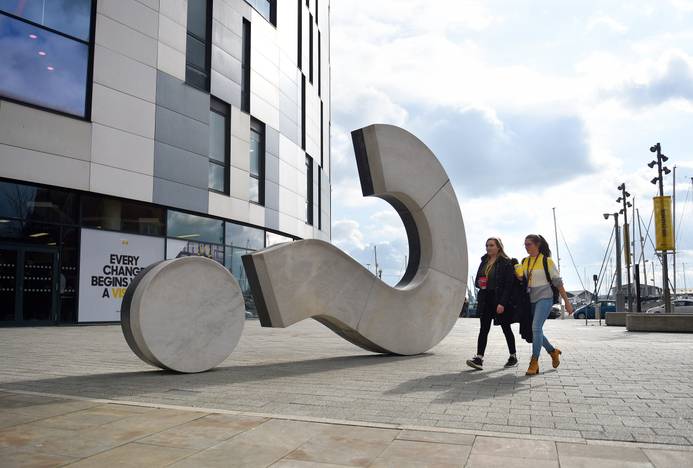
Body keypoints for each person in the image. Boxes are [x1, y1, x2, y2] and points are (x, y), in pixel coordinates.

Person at [516, 234, 574, 375]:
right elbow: (522, 278)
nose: (526, 247)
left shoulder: (547, 261)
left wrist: (567, 302)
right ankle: (553, 352)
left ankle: (534, 362)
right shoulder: (525, 261)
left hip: (545, 296)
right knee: (537, 331)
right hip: (530, 298)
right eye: (525, 244)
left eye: (529, 244)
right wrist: (517, 269)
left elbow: (558, 283)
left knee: (536, 327)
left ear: (537, 245)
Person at [466, 237, 518, 370]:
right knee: (483, 329)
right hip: (486, 298)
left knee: (506, 328)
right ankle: (479, 358)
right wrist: (479, 282)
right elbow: (478, 277)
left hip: (499, 299)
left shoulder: (506, 262)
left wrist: (502, 303)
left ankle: (513, 356)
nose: (488, 248)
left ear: (498, 247)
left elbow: (508, 285)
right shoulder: (484, 261)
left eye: (491, 245)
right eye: (487, 245)